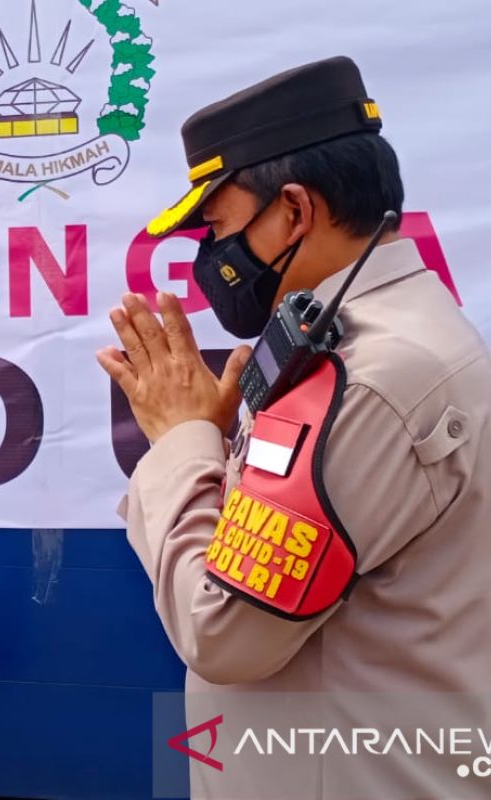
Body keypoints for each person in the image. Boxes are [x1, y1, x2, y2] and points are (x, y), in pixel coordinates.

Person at [97, 56, 491, 798]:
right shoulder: (388, 336)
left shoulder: (371, 380)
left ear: (295, 211)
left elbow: (224, 636)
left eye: (217, 230)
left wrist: (182, 446)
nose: (211, 261)